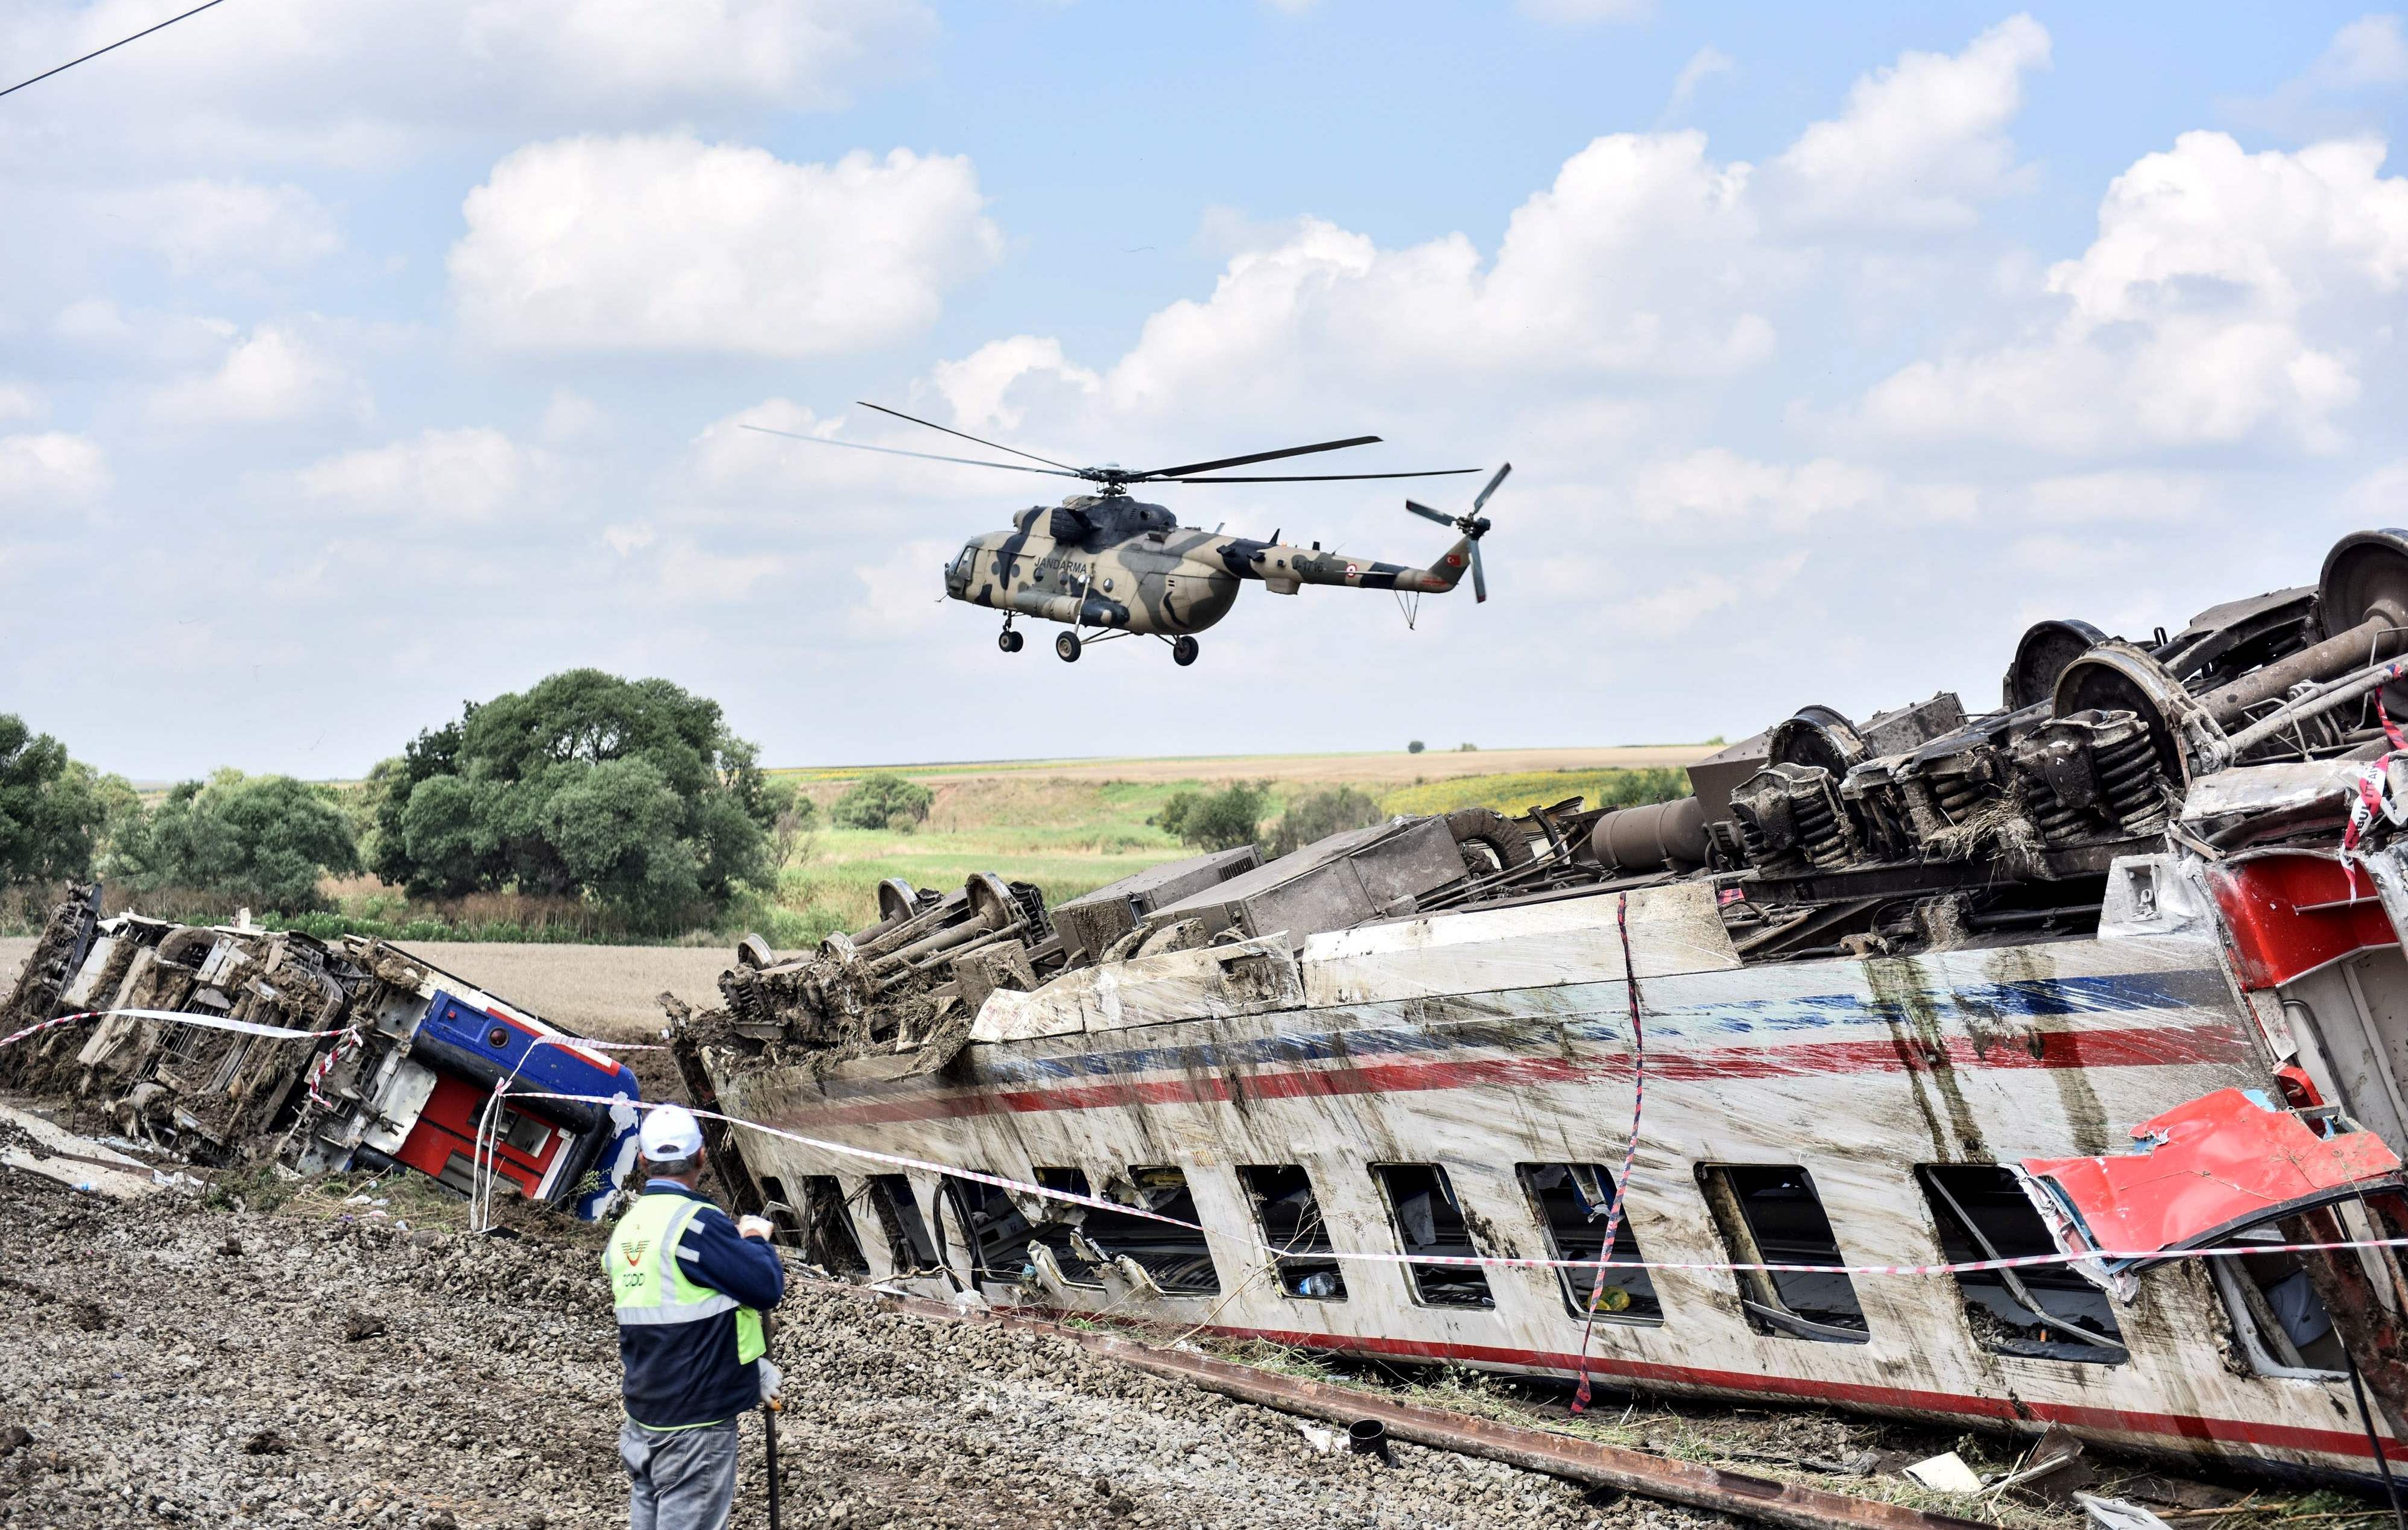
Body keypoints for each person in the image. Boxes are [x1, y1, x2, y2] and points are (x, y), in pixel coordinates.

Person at [605, 1103, 786, 1530]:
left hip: (644, 1418)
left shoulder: (628, 1230)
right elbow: (764, 1286)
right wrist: (755, 1240)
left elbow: (679, 1312)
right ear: (702, 1157)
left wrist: (747, 1369)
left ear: (644, 1161)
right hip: (694, 1429)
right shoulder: (696, 1225)